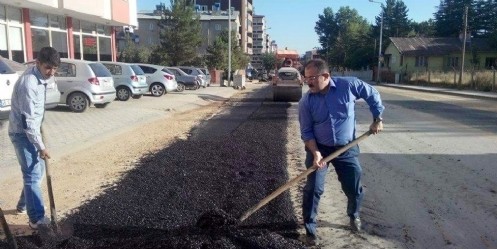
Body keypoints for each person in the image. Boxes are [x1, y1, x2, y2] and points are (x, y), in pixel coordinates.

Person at [298, 59, 384, 244]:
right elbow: (306, 132)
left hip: (347, 147)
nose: (309, 82)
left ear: (326, 76)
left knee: (353, 186)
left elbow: (372, 94)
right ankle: (310, 229)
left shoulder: (349, 85)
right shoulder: (306, 101)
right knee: (313, 189)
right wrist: (316, 153)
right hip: (319, 149)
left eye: (312, 78)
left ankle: (354, 215)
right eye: (306, 79)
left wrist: (377, 117)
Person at [8, 47, 60, 229]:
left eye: (55, 68)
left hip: (31, 130)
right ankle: (36, 218)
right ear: (37, 63)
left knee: (33, 173)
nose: (51, 72)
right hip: (22, 133)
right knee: (32, 174)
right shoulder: (28, 83)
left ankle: (24, 205)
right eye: (48, 68)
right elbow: (27, 120)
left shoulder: (41, 76)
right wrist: (41, 146)